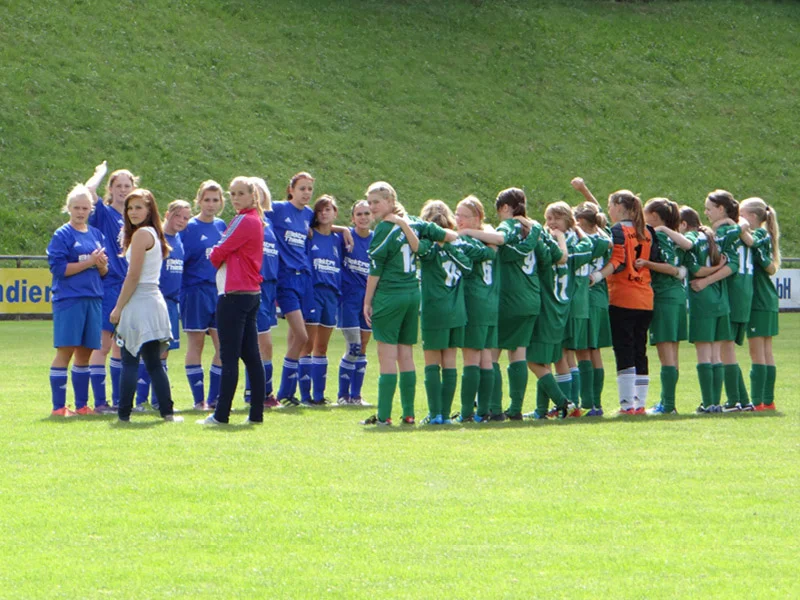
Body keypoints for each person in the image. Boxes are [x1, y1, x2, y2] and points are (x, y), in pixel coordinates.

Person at [360, 182, 454, 426]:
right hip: (413, 294)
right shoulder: (414, 222)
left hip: (390, 296)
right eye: (369, 203)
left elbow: (375, 269)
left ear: (391, 201)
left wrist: (367, 301)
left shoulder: (384, 229)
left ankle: (383, 416)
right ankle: (409, 414)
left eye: (376, 202)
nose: (371, 208)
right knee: (406, 355)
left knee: (388, 357)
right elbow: (450, 236)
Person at [109, 189, 182, 423]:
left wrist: (118, 308)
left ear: (150, 209)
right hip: (152, 300)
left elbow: (133, 276)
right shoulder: (153, 234)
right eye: (130, 208)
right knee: (153, 362)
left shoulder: (141, 235)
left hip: (140, 300)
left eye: (138, 207)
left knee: (130, 360)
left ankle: (123, 414)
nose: (132, 212)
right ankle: (167, 413)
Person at [198, 177, 265, 425]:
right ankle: (256, 414)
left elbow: (217, 252)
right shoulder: (256, 220)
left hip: (234, 293)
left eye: (241, 193)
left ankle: (221, 414)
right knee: (251, 356)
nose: (236, 198)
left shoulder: (243, 219)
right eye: (233, 193)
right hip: (250, 293)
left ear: (252, 196)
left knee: (229, 356)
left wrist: (219, 256)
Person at [589, 190, 659, 415]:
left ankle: (627, 404)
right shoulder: (647, 231)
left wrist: (598, 275)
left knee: (624, 350)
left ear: (619, 206)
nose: (609, 210)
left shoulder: (619, 230)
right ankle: (640, 404)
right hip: (645, 299)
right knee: (640, 350)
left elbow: (617, 261)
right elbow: (654, 260)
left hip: (622, 297)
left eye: (610, 205)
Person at [47, 184, 108, 416]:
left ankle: (82, 405)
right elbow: (60, 269)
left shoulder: (95, 234)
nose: (81, 212)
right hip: (70, 299)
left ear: (91, 209)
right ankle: (59, 407)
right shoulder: (62, 235)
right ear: (68, 208)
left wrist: (102, 266)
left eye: (85, 208)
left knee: (85, 353)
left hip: (93, 298)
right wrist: (90, 262)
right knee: (66, 351)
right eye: (76, 207)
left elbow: (104, 272)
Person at [526, 201, 589, 420]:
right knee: (554, 358)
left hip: (551, 307)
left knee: (539, 359)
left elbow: (557, 257)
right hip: (564, 305)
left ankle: (566, 403)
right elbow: (592, 245)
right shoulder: (578, 243)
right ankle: (546, 410)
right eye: (548, 218)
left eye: (556, 218)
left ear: (568, 220)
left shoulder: (555, 244)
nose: (551, 223)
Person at [690, 191, 753, 411]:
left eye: (709, 209)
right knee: (725, 350)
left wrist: (706, 280)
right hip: (738, 294)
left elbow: (732, 265)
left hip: (729, 294)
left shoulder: (725, 230)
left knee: (724, 349)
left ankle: (735, 400)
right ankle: (741, 401)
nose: (705, 213)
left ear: (721, 209)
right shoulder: (730, 228)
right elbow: (744, 228)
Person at [417, 200, 472, 425]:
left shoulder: (428, 246)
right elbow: (468, 266)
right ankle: (446, 413)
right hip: (456, 310)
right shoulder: (457, 244)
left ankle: (435, 413)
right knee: (450, 361)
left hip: (433, 308)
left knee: (431, 362)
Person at [85, 162, 135, 413]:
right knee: (103, 345)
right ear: (111, 189)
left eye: (128, 185)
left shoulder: (136, 218)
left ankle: (119, 401)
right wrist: (99, 174)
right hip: (110, 284)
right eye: (118, 186)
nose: (123, 190)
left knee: (121, 347)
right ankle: (100, 402)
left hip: (131, 287)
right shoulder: (105, 213)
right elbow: (88, 192)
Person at [634, 198, 691, 415]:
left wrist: (647, 264)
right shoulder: (676, 235)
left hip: (664, 297)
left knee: (666, 353)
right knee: (672, 354)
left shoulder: (659, 235)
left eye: (646, 214)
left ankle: (667, 405)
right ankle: (668, 403)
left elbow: (669, 266)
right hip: (676, 296)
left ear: (655, 217)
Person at [135, 199, 191, 411]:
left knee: (164, 351)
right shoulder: (157, 238)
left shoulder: (180, 241)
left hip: (171, 303)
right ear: (167, 214)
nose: (181, 221)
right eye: (177, 216)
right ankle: (141, 401)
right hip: (154, 299)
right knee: (148, 350)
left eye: (186, 218)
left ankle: (158, 400)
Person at [675, 206, 729, 413]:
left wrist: (711, 272)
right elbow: (728, 264)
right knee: (716, 354)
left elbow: (696, 270)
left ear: (684, 224)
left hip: (702, 301)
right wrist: (718, 269)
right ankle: (715, 402)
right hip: (720, 300)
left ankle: (708, 403)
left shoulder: (691, 239)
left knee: (704, 354)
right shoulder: (712, 236)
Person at [451, 196, 498, 423]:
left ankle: (468, 412)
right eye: (456, 214)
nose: (458, 220)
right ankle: (484, 411)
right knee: (485, 356)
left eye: (464, 216)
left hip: (476, 301)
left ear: (477, 218)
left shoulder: (469, 242)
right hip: (490, 303)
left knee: (471, 357)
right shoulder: (488, 238)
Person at [180, 180, 227, 410]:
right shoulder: (189, 228)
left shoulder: (222, 226)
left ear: (221, 202)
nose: (211, 204)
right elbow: (181, 261)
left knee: (223, 347)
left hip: (218, 292)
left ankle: (214, 398)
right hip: (194, 291)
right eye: (206, 199)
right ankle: (198, 400)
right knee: (196, 344)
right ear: (198, 201)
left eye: (215, 200)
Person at [570, 179, 612, 416]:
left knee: (583, 350)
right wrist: (585, 191)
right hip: (599, 295)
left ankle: (588, 402)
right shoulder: (604, 235)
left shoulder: (587, 240)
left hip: (585, 296)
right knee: (594, 350)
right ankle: (595, 403)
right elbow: (599, 213)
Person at [739, 197, 780, 410]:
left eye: (742, 214)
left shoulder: (759, 234)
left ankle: (758, 401)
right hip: (766, 299)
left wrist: (739, 227)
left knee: (758, 352)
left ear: (753, 217)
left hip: (759, 300)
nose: (739, 218)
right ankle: (767, 400)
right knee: (765, 351)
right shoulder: (763, 234)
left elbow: (750, 241)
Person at [302, 195, 343, 405]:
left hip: (332, 294)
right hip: (313, 293)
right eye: (320, 210)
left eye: (328, 209)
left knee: (322, 347)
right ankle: (304, 395)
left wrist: (344, 230)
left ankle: (319, 395)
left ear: (335, 213)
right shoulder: (310, 236)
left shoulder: (340, 239)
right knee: (307, 344)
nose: (324, 213)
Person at [243, 177, 281, 409]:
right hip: (253, 287)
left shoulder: (269, 224)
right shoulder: (246, 222)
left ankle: (263, 391)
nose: (258, 195)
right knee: (260, 343)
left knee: (265, 345)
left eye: (260, 191)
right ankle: (257, 392)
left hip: (269, 289)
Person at [337, 200, 374, 406]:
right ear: (352, 218)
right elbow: (320, 227)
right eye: (359, 214)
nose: (363, 217)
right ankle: (343, 395)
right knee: (353, 346)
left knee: (363, 347)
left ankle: (356, 396)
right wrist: (342, 228)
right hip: (349, 300)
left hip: (369, 301)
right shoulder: (345, 237)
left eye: (367, 213)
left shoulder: (376, 240)